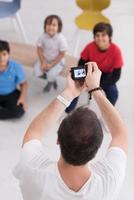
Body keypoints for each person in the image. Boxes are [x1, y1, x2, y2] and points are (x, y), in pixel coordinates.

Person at [13, 62, 128, 200]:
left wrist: (69, 93)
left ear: (58, 140)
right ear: (97, 149)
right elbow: (121, 134)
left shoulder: (32, 170)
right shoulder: (109, 179)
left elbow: (34, 132)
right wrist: (96, 90)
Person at [66, 22, 123, 113]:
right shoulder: (90, 47)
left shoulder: (116, 51)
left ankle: (109, 112)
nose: (100, 38)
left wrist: (97, 86)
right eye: (97, 35)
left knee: (113, 93)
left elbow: (116, 75)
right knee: (75, 86)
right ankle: (68, 110)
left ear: (110, 37)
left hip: (107, 76)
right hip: (90, 72)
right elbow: (81, 62)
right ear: (94, 37)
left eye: (103, 35)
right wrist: (82, 78)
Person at [34, 14, 68, 92]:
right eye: (48, 24)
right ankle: (52, 80)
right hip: (45, 59)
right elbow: (39, 49)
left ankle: (50, 83)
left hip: (57, 61)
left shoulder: (61, 39)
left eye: (54, 25)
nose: (51, 27)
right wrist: (43, 62)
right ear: (45, 26)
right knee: (37, 72)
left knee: (51, 74)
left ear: (58, 27)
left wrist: (51, 65)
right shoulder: (42, 36)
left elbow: (62, 54)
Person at [0, 40, 27, 119]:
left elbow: (24, 84)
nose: (1, 58)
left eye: (4, 54)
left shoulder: (16, 67)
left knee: (19, 111)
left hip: (10, 94)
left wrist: (22, 99)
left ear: (8, 54)